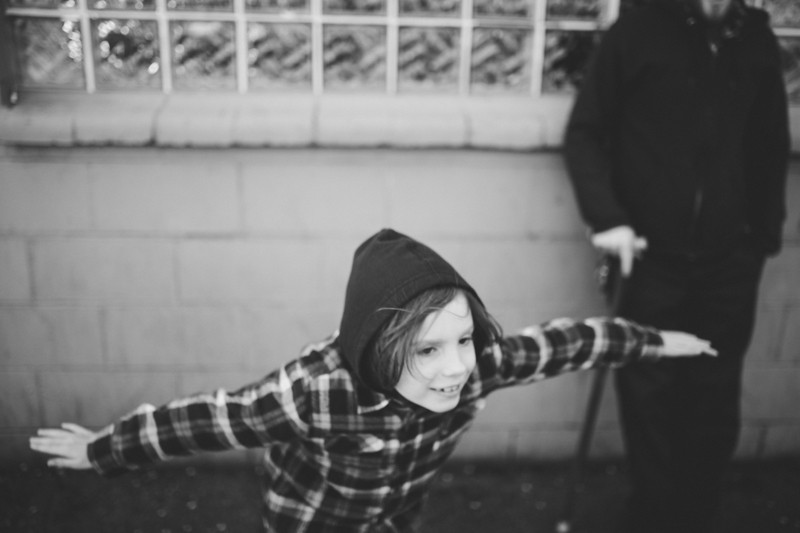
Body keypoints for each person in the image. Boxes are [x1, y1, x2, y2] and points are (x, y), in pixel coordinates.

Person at [30, 228, 716, 533]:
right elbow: (211, 417)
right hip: (308, 520)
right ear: (378, 350)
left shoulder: (478, 367)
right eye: (427, 351)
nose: (455, 367)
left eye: (465, 339)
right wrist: (102, 448)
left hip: (391, 516)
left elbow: (567, 343)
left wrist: (653, 343)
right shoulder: (313, 393)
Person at [563, 0, 790, 532]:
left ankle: (697, 515)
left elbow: (769, 145)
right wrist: (608, 218)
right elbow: (585, 133)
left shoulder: (755, 41)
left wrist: (761, 237)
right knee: (650, 396)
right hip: (647, 256)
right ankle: (653, 515)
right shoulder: (637, 32)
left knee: (714, 395)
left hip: (730, 259)